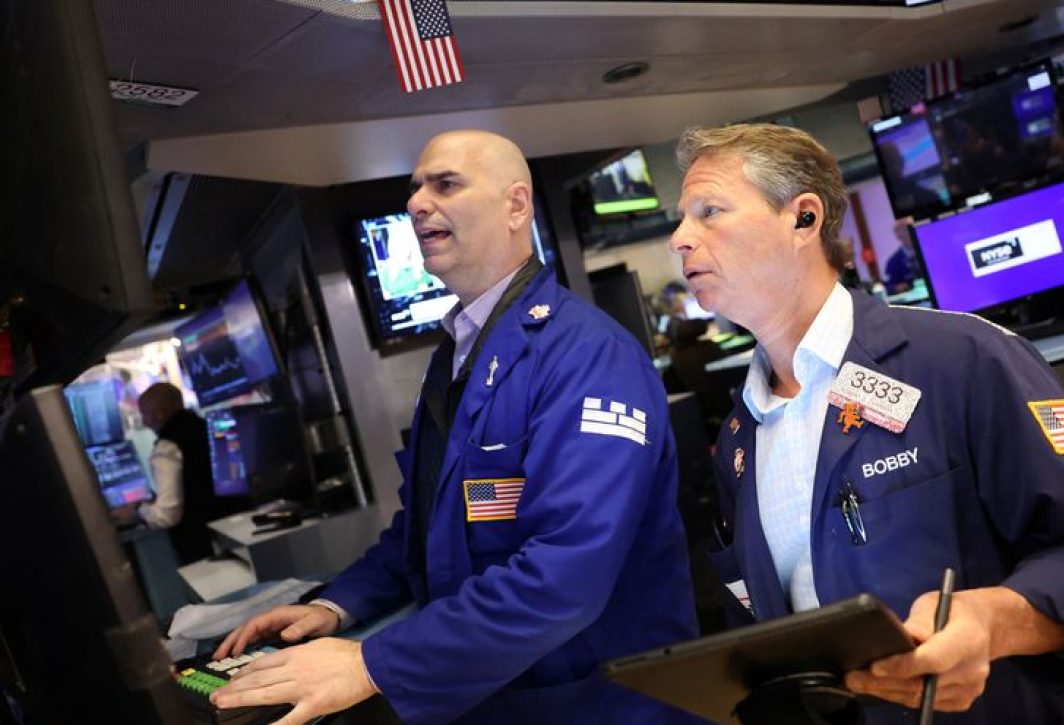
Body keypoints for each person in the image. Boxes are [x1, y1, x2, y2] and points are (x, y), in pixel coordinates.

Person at [668, 122, 1064, 723]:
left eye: (709, 211)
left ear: (803, 218)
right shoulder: (739, 436)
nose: (680, 238)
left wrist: (993, 623)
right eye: (682, 219)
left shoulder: (962, 361)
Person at [210, 130, 702, 725]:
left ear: (516, 206)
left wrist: (372, 664)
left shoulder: (588, 357)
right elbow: (427, 529)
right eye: (415, 189)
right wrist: (339, 605)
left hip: (598, 705)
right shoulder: (458, 356)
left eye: (445, 185)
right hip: (496, 701)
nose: (416, 203)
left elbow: (565, 574)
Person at [111, 382, 240, 564]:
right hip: (237, 531)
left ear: (160, 414)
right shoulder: (210, 428)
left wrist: (137, 511)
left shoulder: (166, 447)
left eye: (145, 414)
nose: (145, 422)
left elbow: (168, 515)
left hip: (206, 549)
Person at [884, 217, 920, 294]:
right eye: (905, 231)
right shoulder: (893, 262)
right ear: (898, 236)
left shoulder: (930, 250)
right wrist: (897, 288)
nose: (910, 233)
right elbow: (889, 287)